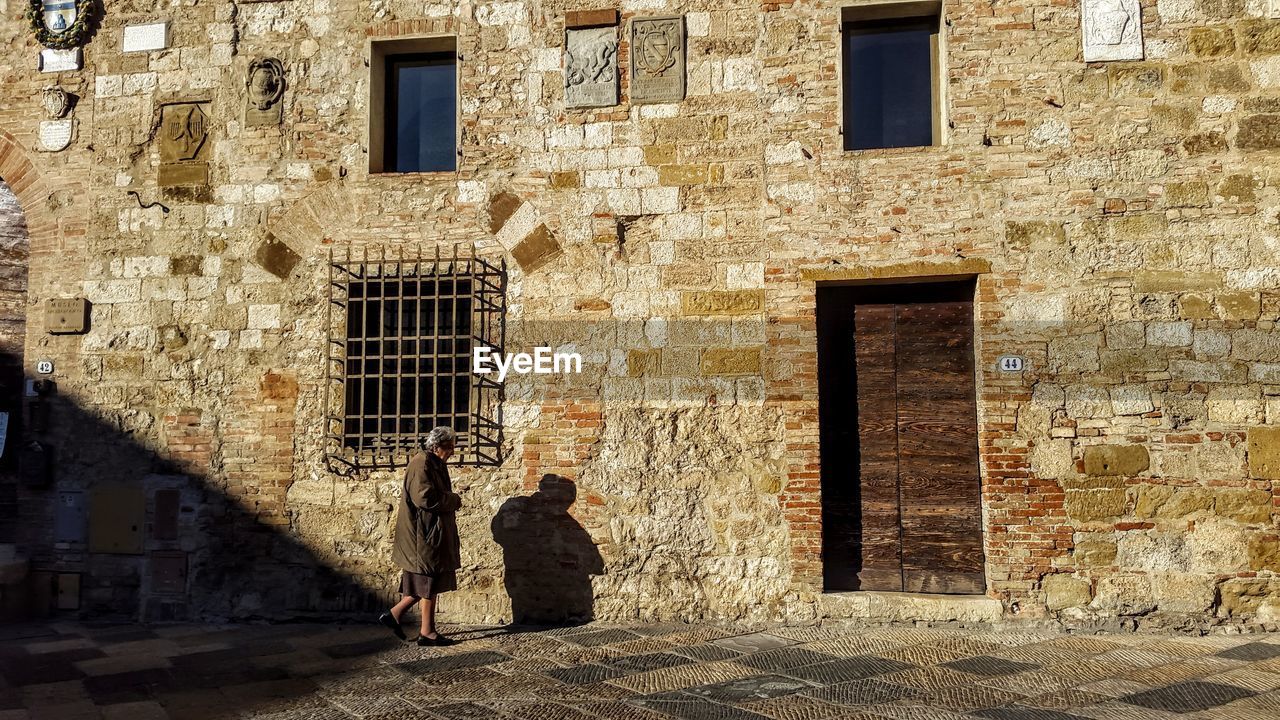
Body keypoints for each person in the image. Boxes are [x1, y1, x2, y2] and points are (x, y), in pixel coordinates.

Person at [379, 426, 462, 646]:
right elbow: (424, 498)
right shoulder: (422, 463)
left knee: (429, 582)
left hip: (428, 533)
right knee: (426, 582)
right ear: (436, 446)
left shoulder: (434, 463)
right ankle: (404, 619)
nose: (453, 451)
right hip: (421, 535)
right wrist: (453, 500)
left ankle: (422, 628)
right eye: (449, 447)